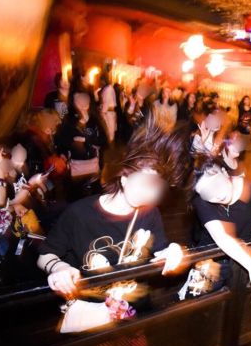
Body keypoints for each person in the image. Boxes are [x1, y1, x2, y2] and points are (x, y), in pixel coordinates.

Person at [37, 120, 192, 296]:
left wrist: (174, 251)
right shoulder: (80, 213)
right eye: (145, 183)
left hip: (130, 302)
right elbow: (44, 255)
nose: (150, 195)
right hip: (90, 302)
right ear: (124, 178)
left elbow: (161, 250)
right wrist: (59, 268)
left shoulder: (150, 213)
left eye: (156, 188)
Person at [192, 157, 251, 300]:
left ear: (224, 172)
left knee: (241, 301)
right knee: (197, 300)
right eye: (207, 193)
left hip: (242, 257)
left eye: (216, 183)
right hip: (211, 258)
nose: (217, 194)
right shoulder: (201, 201)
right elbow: (222, 237)